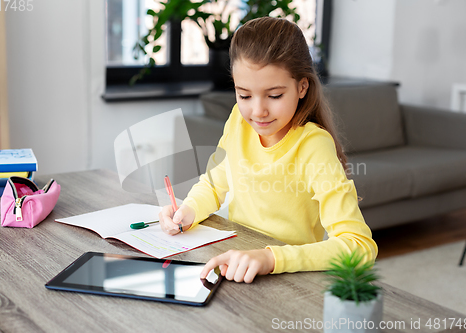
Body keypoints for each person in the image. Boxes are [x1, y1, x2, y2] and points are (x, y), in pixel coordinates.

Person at [159, 16, 377, 283]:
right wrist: (187, 212)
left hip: (287, 277)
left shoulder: (313, 146)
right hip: (236, 264)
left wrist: (271, 258)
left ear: (301, 87)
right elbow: (214, 185)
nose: (258, 111)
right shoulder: (239, 121)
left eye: (274, 95)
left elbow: (359, 245)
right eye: (244, 95)